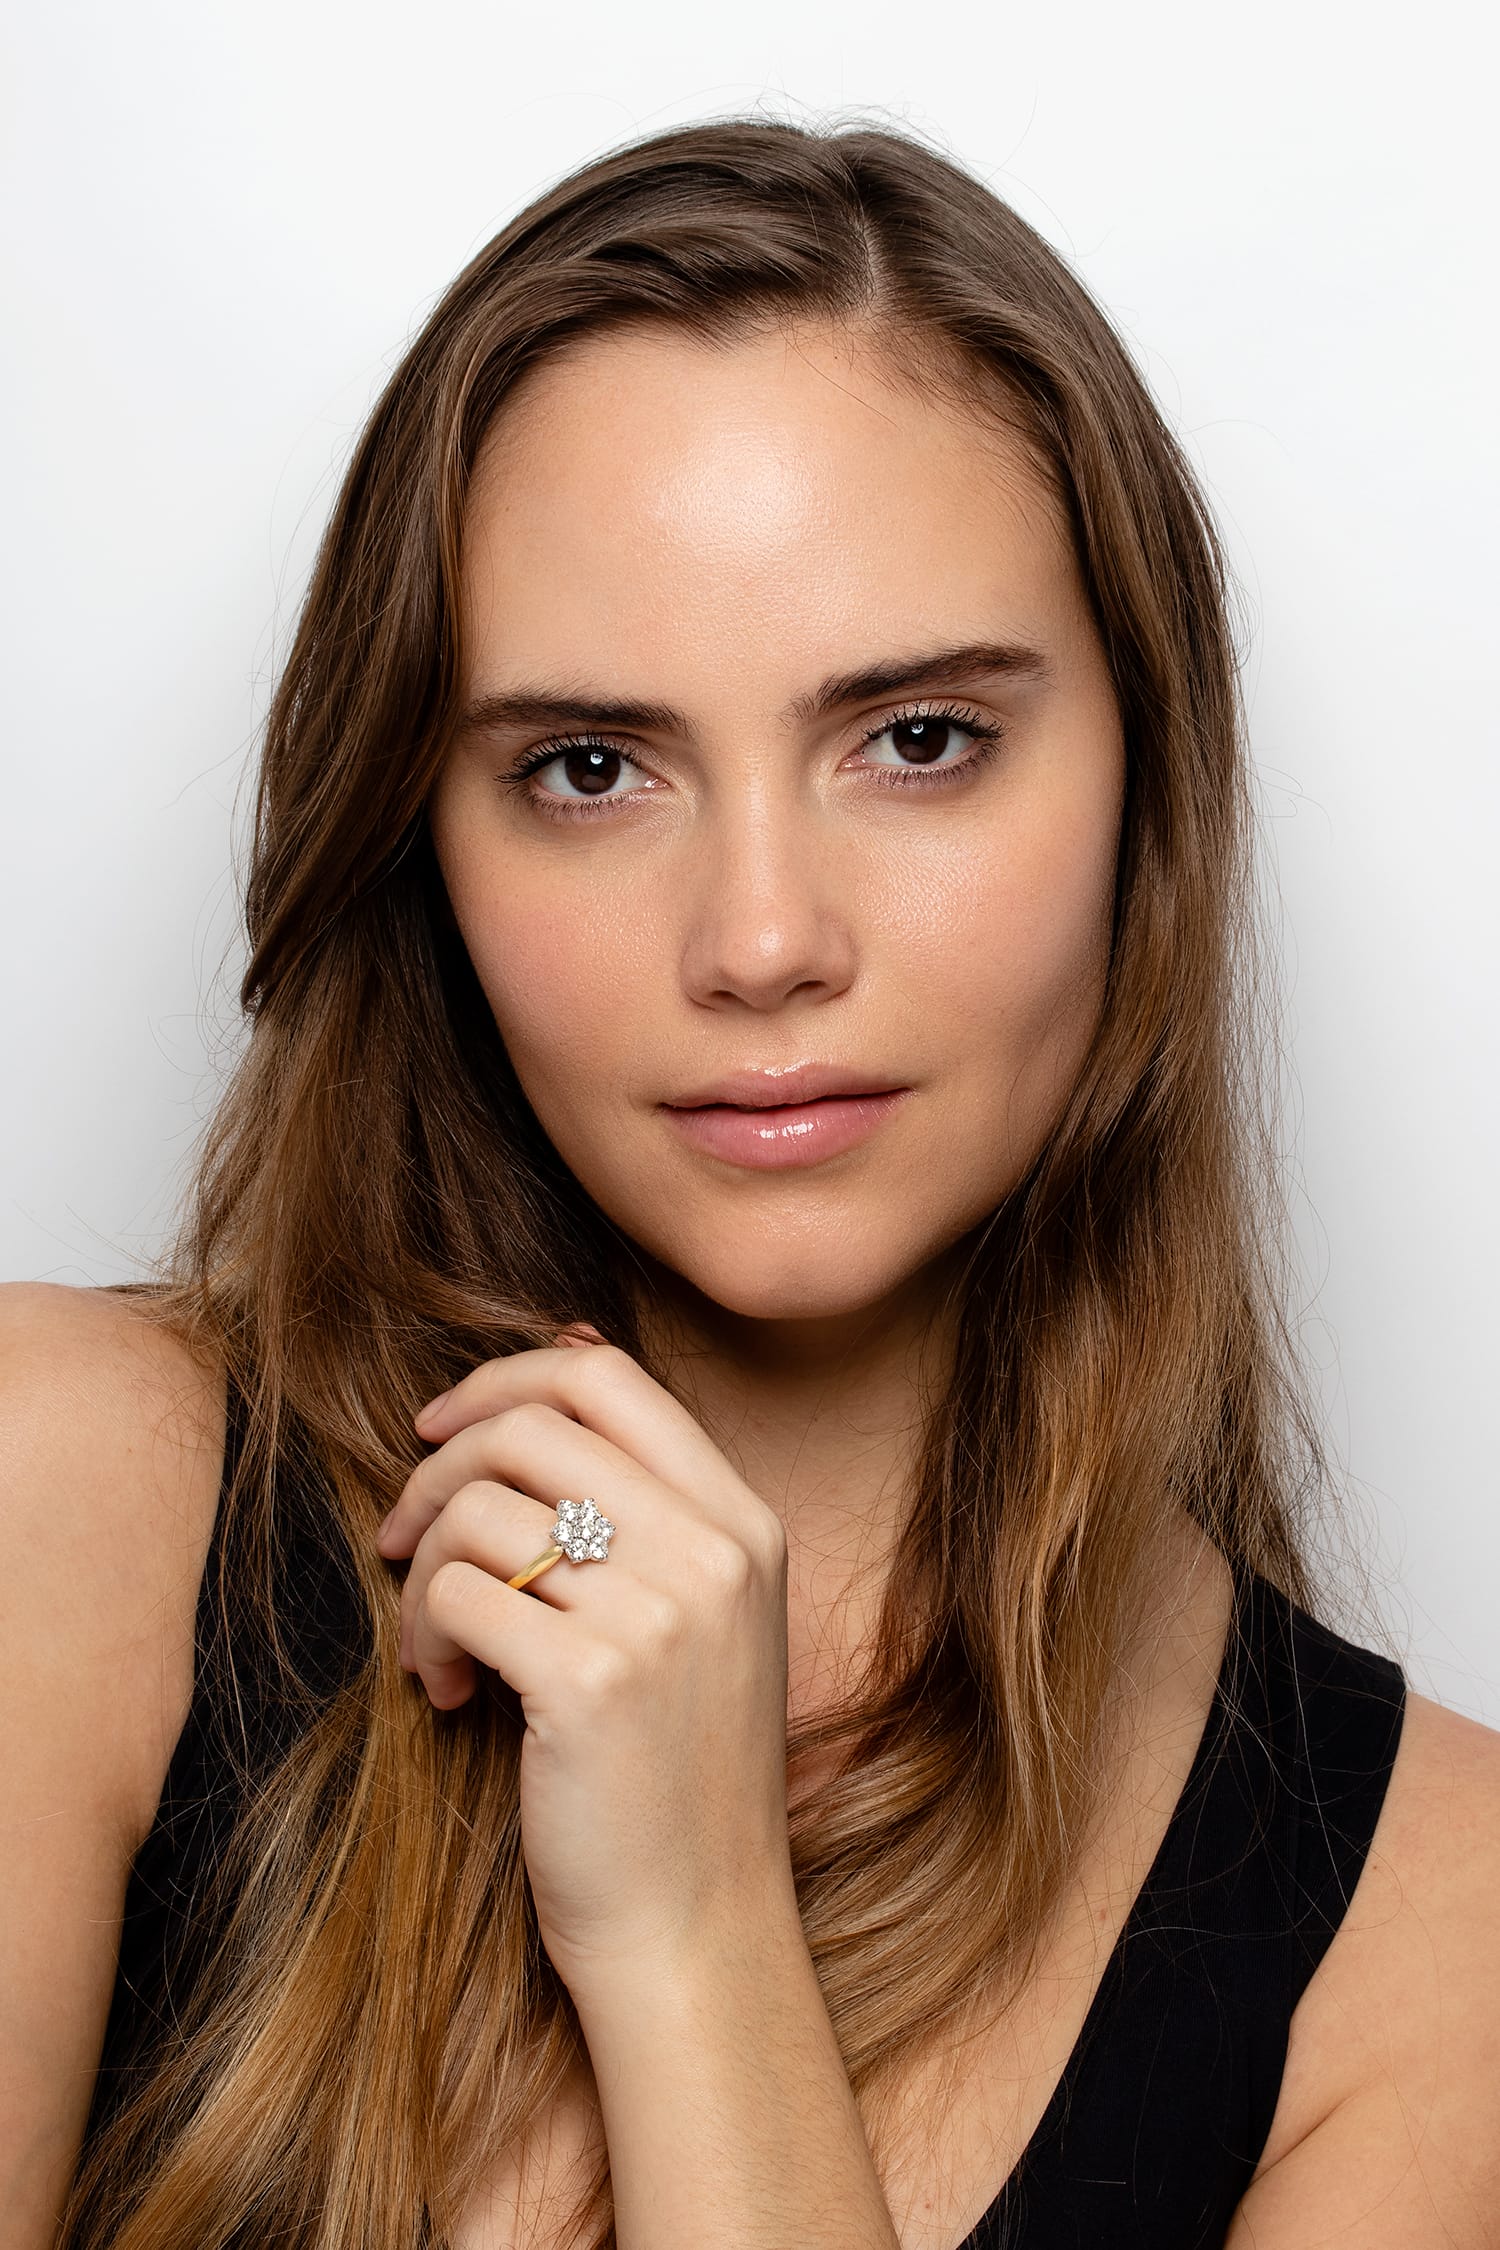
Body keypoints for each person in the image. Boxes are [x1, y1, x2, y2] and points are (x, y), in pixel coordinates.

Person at [3, 112, 1497, 2250]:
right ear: (423, 845)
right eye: (589, 768)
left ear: (1147, 789)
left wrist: (701, 1943)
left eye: (920, 740)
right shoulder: (56, 1510)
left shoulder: (1437, 1942)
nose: (764, 939)